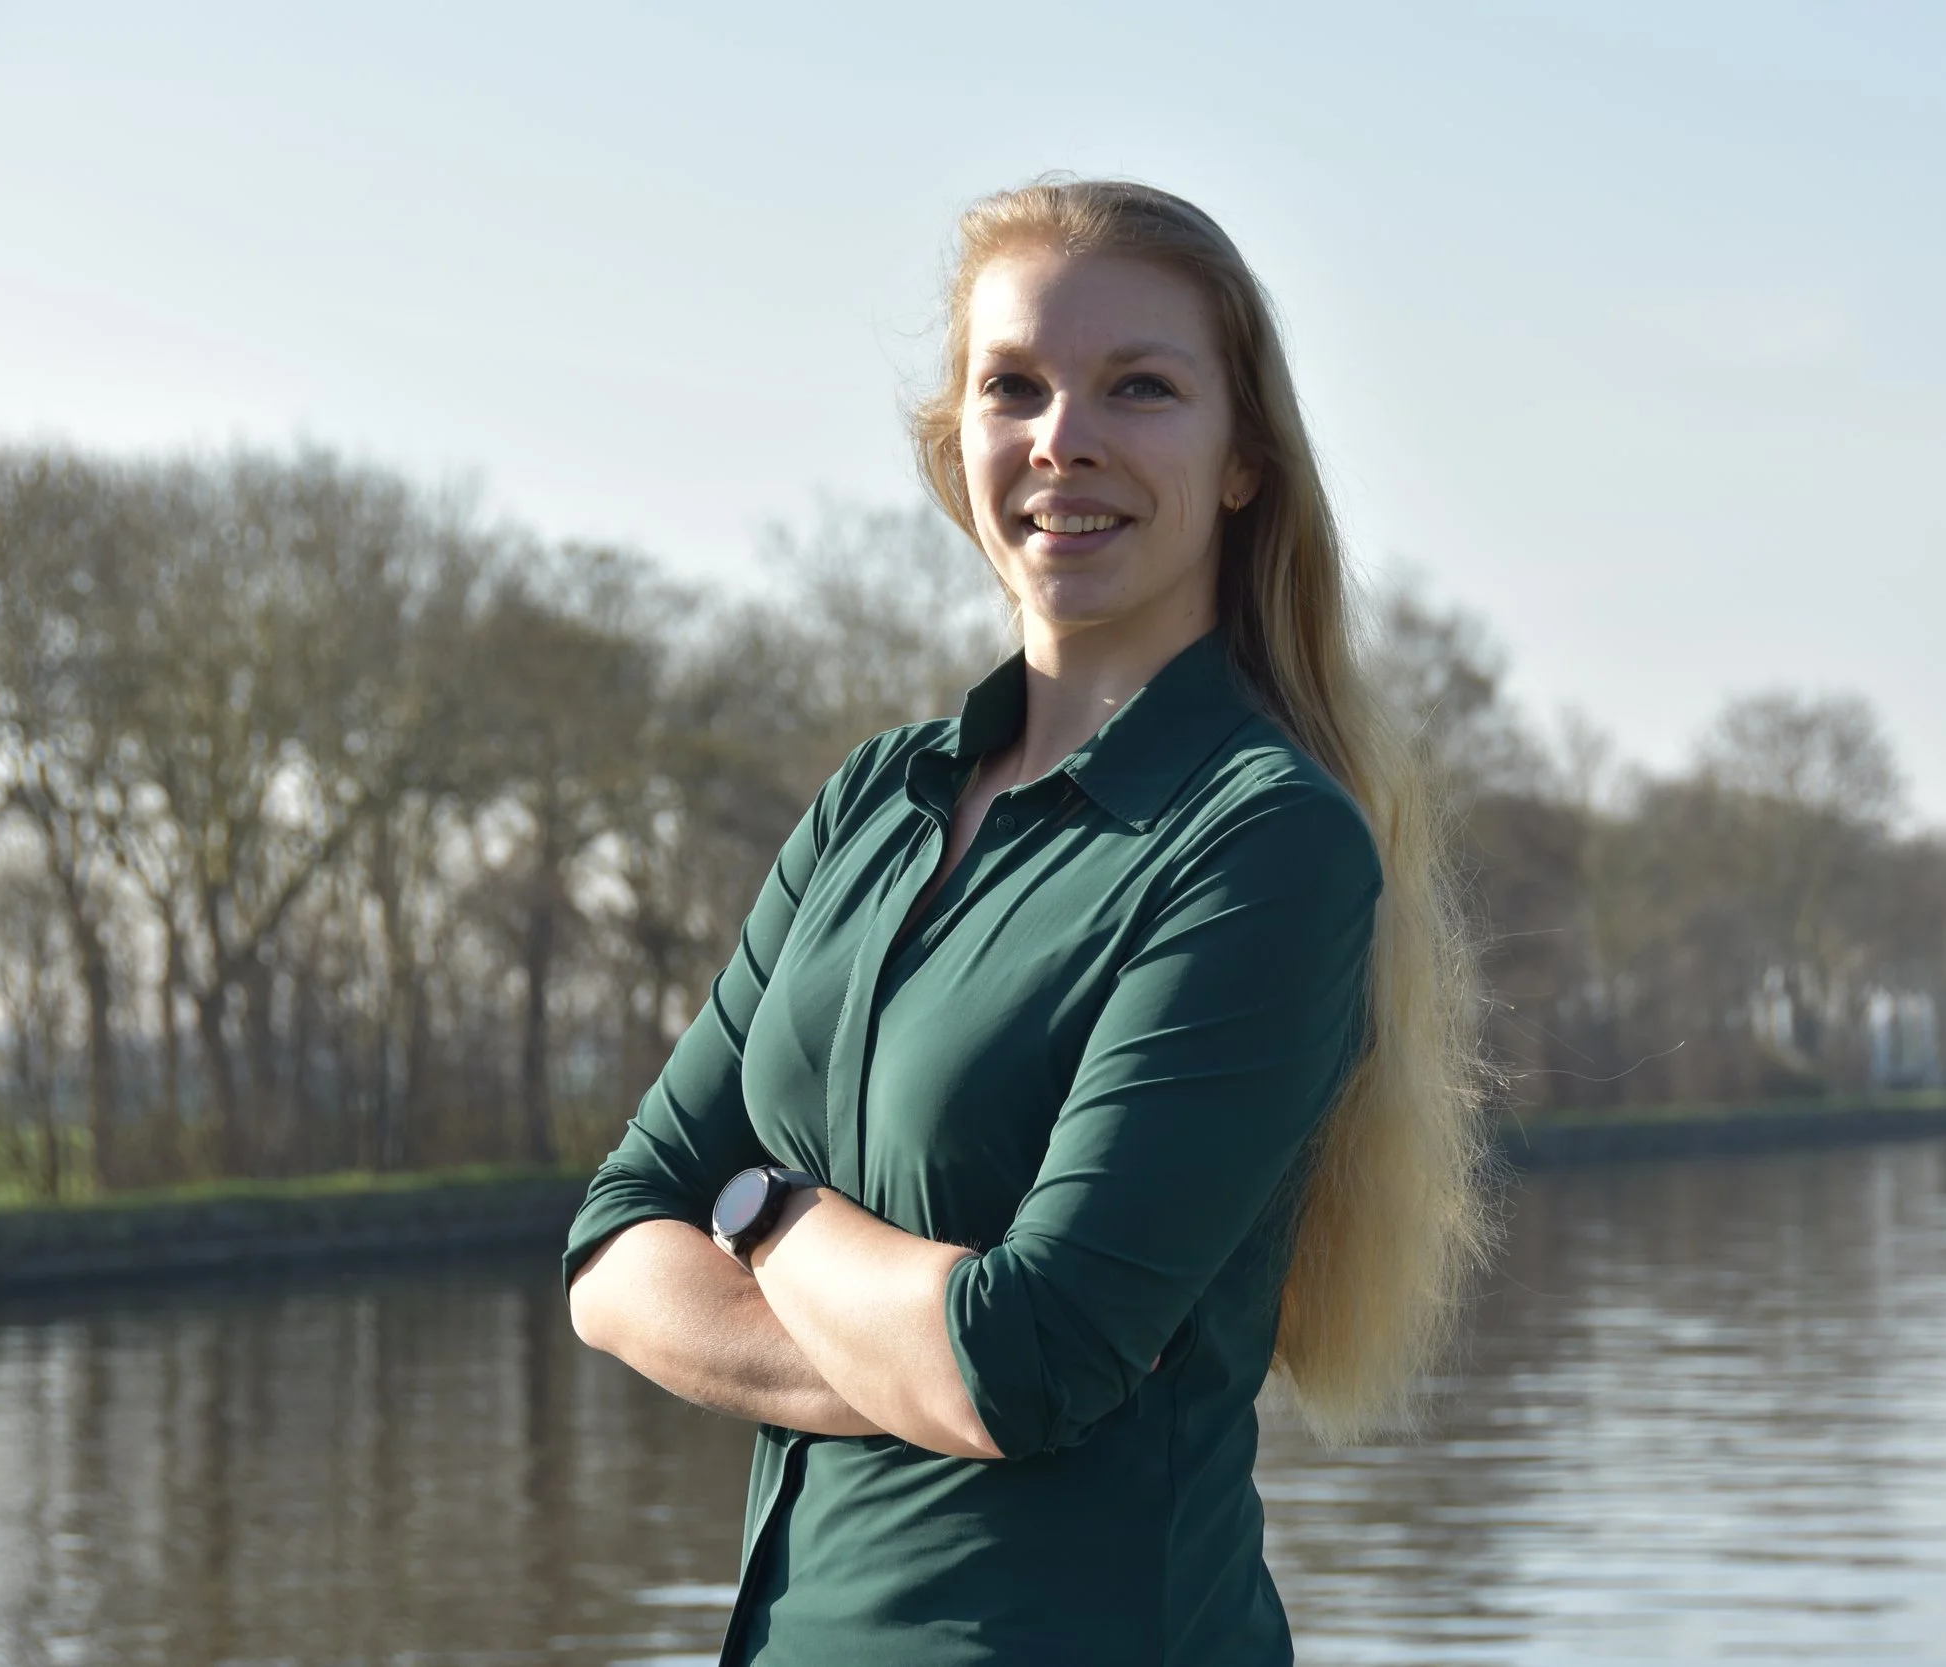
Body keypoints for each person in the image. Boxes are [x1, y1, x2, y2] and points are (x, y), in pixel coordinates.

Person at [565, 177, 1490, 1667]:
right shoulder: (873, 800)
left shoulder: (1264, 842)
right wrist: (917, 1344)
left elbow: (1024, 1359)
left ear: (1245, 457)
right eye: (1015, 388)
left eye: (1141, 386)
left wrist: (764, 1213)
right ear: (960, 445)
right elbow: (613, 1246)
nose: (1067, 437)